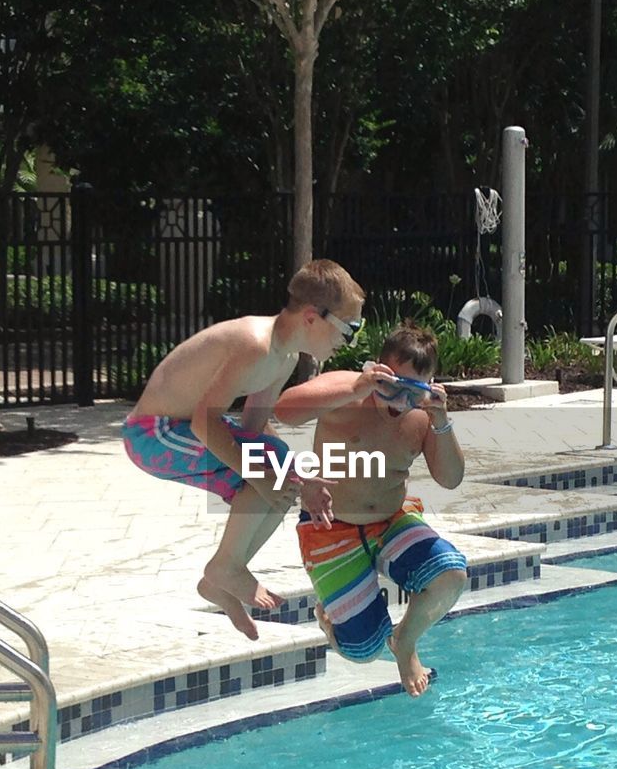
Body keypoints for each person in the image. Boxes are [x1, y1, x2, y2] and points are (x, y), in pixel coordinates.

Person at [122, 259, 366, 640]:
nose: (348, 340)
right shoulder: (256, 345)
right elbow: (205, 422)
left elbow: (253, 432)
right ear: (311, 317)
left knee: (280, 470)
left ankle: (220, 578)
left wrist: (297, 480)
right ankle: (226, 567)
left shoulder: (284, 357)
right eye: (349, 328)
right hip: (153, 434)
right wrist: (260, 472)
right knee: (272, 467)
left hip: (185, 429)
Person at [274, 324, 468, 697]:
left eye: (413, 392)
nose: (399, 400)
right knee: (361, 650)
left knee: (451, 575)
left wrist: (442, 422)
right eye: (391, 385)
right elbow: (283, 410)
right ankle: (331, 619)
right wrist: (356, 387)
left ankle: (405, 643)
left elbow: (451, 479)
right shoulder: (347, 389)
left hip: (390, 521)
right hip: (330, 526)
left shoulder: (424, 415)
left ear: (428, 387)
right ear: (376, 370)